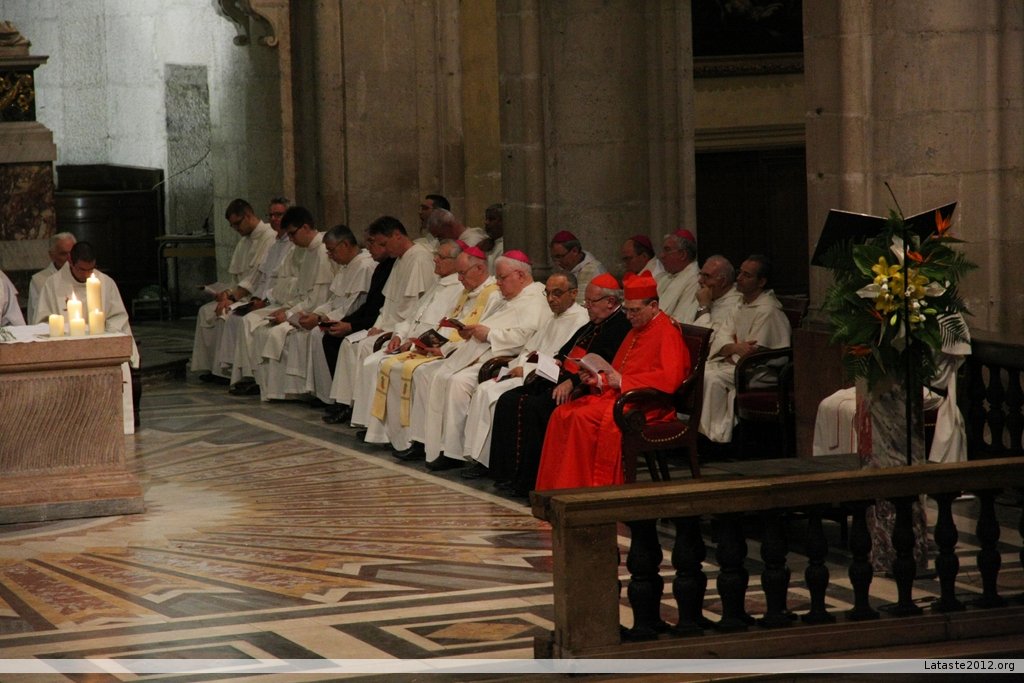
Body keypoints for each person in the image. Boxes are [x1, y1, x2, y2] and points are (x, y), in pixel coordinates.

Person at [535, 270, 690, 490]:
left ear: (653, 306)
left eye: (635, 311)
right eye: (627, 310)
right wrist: (598, 379)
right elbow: (617, 369)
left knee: (582, 418)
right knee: (562, 414)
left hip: (647, 404)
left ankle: (590, 489)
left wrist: (624, 382)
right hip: (620, 396)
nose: (629, 317)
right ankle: (557, 488)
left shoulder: (667, 332)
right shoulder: (637, 328)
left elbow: (670, 378)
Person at [489, 273, 631, 496]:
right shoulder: (594, 322)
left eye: (591, 302)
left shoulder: (620, 327)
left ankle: (529, 482)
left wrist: (571, 382)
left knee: (534, 407)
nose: (587, 306)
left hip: (582, 386)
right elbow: (566, 350)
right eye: (586, 301)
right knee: (508, 399)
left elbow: (601, 366)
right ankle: (508, 475)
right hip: (559, 377)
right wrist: (555, 361)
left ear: (610, 302)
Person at [420, 250, 550, 470]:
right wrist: (472, 332)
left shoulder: (536, 300)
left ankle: (458, 452)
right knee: (440, 375)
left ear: (520, 275)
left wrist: (489, 335)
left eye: (502, 277)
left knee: (458, 382)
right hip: (481, 353)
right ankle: (440, 445)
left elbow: (525, 337)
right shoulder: (503, 296)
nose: (497, 283)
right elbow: (488, 324)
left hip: (501, 359)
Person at [364, 245, 499, 454]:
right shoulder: (465, 291)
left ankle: (425, 442)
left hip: (463, 354)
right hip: (447, 349)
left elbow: (481, 333)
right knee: (397, 367)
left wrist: (444, 349)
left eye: (462, 273)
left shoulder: (493, 295)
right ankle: (402, 436)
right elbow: (443, 322)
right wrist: (424, 342)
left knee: (422, 374)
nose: (459, 278)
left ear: (480, 269)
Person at [458, 271, 589, 478]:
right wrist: (516, 367)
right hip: (525, 372)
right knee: (483, 389)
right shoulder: (553, 317)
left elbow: (561, 360)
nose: (550, 299)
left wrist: (526, 370)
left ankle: (492, 462)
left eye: (557, 293)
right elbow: (530, 348)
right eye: (547, 293)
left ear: (573, 293)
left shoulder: (580, 320)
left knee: (495, 396)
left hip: (542, 378)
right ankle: (478, 458)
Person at [347, 239, 467, 429]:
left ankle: (394, 431)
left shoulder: (459, 290)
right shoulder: (438, 284)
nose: (435, 260)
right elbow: (412, 317)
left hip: (424, 349)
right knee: (371, 362)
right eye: (436, 255)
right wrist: (398, 335)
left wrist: (414, 343)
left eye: (441, 257)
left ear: (455, 262)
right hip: (409, 343)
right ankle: (374, 427)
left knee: (385, 365)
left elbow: (446, 329)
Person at [327, 215, 436, 419]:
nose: (384, 249)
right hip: (388, 325)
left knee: (363, 348)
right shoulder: (399, 260)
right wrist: (377, 325)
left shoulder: (419, 258)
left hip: (402, 328)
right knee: (348, 344)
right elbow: (388, 302)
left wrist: (395, 331)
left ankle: (368, 415)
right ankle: (348, 405)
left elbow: (416, 305)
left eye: (384, 244)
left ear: (397, 235)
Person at [259, 224, 377, 401]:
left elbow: (354, 305)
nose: (330, 256)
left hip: (352, 320)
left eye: (332, 251)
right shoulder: (347, 266)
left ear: (345, 245)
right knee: (309, 331)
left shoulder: (365, 266)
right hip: (337, 316)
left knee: (318, 333)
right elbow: (333, 300)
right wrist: (317, 315)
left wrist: (322, 319)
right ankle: (324, 395)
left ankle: (336, 398)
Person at [35, 241, 139, 433]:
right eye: (82, 270)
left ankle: (108, 423)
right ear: (70, 261)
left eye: (91, 269)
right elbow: (42, 321)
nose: (87, 275)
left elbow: (118, 318)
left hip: (100, 347)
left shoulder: (105, 283)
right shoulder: (53, 285)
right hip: (65, 350)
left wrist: (105, 336)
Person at [698, 254, 791, 444]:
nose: (739, 278)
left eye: (746, 275)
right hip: (738, 365)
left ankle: (715, 439)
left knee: (712, 378)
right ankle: (701, 433)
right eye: (740, 272)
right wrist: (733, 347)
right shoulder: (741, 304)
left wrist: (731, 351)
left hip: (759, 371)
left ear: (761, 282)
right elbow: (722, 335)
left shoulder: (767, 310)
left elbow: (754, 351)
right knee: (699, 371)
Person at [248, 207, 336, 398]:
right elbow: (302, 293)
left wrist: (288, 314)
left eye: (292, 234)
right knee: (263, 329)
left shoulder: (322, 252)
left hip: (319, 312)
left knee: (278, 333)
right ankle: (273, 389)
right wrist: (286, 310)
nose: (291, 239)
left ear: (305, 227)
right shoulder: (308, 251)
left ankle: (297, 391)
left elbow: (319, 298)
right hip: (307, 308)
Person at [208, 197, 297, 382]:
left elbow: (289, 282)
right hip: (263, 298)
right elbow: (260, 277)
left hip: (280, 301)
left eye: (279, 215)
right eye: (271, 215)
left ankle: (252, 378)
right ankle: (234, 373)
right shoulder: (275, 245)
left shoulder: (293, 245)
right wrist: (247, 297)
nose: (274, 219)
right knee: (232, 315)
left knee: (246, 321)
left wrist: (264, 300)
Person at [189, 198, 276, 380]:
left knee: (224, 313)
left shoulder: (269, 237)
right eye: (232, 225)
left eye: (237, 223)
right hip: (239, 295)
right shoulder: (244, 241)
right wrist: (224, 292)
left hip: (255, 296)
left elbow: (255, 278)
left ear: (248, 215)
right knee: (205, 312)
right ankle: (212, 367)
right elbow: (236, 278)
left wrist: (231, 296)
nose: (236, 228)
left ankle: (226, 372)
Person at [317, 233, 395, 418]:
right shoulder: (381, 267)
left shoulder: (372, 266)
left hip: (382, 324)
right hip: (373, 320)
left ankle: (354, 405)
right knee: (333, 338)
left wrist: (351, 326)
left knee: (347, 343)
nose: (368, 246)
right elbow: (370, 306)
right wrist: (347, 323)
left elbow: (377, 308)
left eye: (372, 242)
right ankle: (343, 401)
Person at [692, 254, 743, 340]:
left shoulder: (736, 304)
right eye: (701, 275)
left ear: (723, 281)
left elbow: (707, 339)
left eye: (707, 276)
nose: (700, 281)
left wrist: (704, 306)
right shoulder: (706, 294)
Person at [28, 231, 76, 323]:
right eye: (63, 254)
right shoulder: (39, 280)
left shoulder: (86, 276)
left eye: (72, 253)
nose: (69, 258)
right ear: (52, 255)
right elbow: (37, 317)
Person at [549, 230, 607, 305]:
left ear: (575, 251)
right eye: (554, 258)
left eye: (560, 256)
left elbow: (602, 304)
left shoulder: (595, 271)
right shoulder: (561, 270)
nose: (557, 262)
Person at [656, 229, 700, 323]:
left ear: (683, 255)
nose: (662, 255)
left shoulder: (695, 280)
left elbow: (681, 320)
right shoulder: (664, 277)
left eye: (667, 250)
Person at [481, 203, 504, 272]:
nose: (486, 222)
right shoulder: (486, 243)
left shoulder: (506, 246)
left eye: (491, 219)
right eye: (486, 219)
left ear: (504, 222)